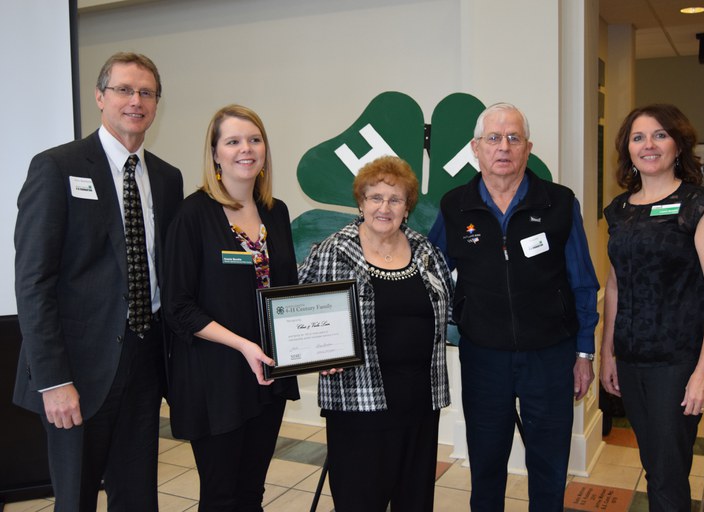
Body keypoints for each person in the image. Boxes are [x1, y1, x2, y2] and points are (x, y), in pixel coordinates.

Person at [13, 52, 183, 511]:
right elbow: (33, 282)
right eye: (124, 89)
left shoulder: (167, 178)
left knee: (137, 495)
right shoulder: (57, 167)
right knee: (76, 498)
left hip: (145, 359)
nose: (136, 101)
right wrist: (53, 380)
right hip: (77, 369)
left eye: (147, 92)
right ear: (100, 96)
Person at [429, 102, 600, 511]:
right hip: (483, 354)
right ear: (476, 147)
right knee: (486, 461)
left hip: (551, 353)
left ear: (528, 147)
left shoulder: (559, 203)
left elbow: (582, 281)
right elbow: (431, 272)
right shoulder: (455, 206)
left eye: (513, 138)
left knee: (549, 461)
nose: (503, 147)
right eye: (493, 138)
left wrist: (583, 352)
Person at [163, 104, 300, 511]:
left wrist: (314, 349)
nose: (247, 149)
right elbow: (177, 306)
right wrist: (242, 345)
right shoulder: (193, 215)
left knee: (251, 492)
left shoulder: (276, 213)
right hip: (215, 377)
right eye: (234, 141)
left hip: (267, 376)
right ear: (215, 153)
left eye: (255, 140)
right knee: (221, 496)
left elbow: (286, 292)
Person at [298, 155, 453, 512]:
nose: (385, 207)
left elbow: (450, 304)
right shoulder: (334, 251)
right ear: (361, 202)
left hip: (419, 401)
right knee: (360, 501)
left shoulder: (426, 252)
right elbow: (294, 312)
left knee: (414, 501)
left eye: (395, 199)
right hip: (357, 405)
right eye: (376, 197)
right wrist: (317, 353)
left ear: (407, 206)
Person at [600, 104, 704, 511]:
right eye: (638, 138)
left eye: (660, 135)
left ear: (678, 145)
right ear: (628, 150)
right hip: (632, 359)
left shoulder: (700, 205)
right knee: (654, 464)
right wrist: (608, 353)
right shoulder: (620, 210)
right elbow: (616, 284)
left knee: (668, 474)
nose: (649, 145)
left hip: (677, 363)